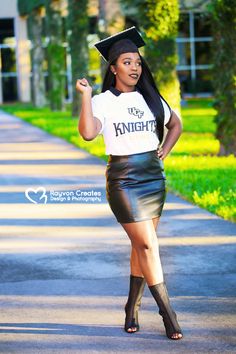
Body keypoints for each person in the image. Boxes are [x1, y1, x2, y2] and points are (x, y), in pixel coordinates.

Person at [76, 27, 183, 340]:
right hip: (123, 180)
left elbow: (175, 124)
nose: (135, 67)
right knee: (148, 244)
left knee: (141, 245)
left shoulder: (150, 97)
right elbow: (87, 132)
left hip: (153, 176)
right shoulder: (103, 101)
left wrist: (165, 148)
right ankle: (168, 313)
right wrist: (85, 96)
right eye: (127, 62)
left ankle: (131, 308)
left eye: (137, 61)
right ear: (113, 68)